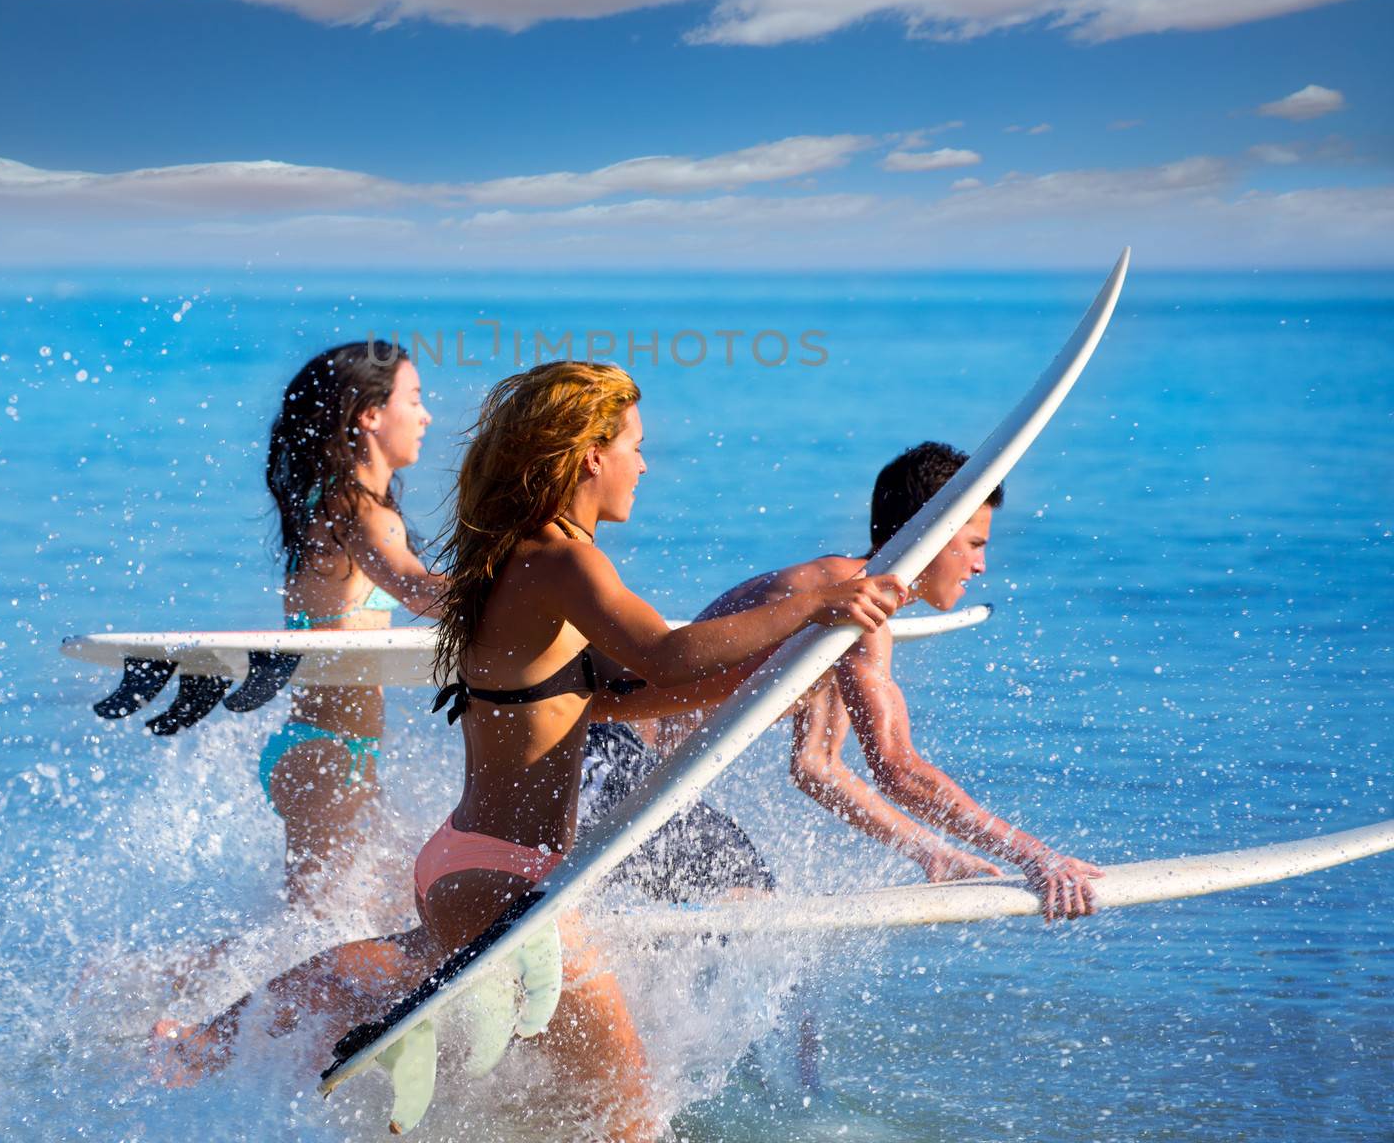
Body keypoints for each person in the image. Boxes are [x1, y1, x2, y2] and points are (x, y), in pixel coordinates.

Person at [155, 361, 906, 1136]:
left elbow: (626, 696)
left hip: (468, 861)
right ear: (590, 456)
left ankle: (213, 1041)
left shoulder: (520, 557)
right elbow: (667, 653)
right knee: (629, 1121)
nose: (644, 466)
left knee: (498, 1061)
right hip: (511, 877)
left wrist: (773, 671)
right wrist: (817, 601)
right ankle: (211, 1040)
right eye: (635, 448)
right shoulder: (561, 560)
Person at [582, 441, 1102, 922]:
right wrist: (1038, 857)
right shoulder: (848, 601)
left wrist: (934, 854)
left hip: (630, 770)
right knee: (747, 900)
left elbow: (817, 768)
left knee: (746, 904)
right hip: (606, 756)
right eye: (973, 544)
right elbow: (899, 769)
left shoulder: (841, 604)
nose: (981, 565)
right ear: (932, 532)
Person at [262, 340, 445, 905]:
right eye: (413, 399)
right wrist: (533, 583)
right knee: (311, 932)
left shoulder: (329, 504)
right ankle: (155, 983)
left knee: (348, 915)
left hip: (326, 749)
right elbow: (423, 593)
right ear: (370, 414)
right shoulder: (363, 513)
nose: (426, 415)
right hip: (330, 754)